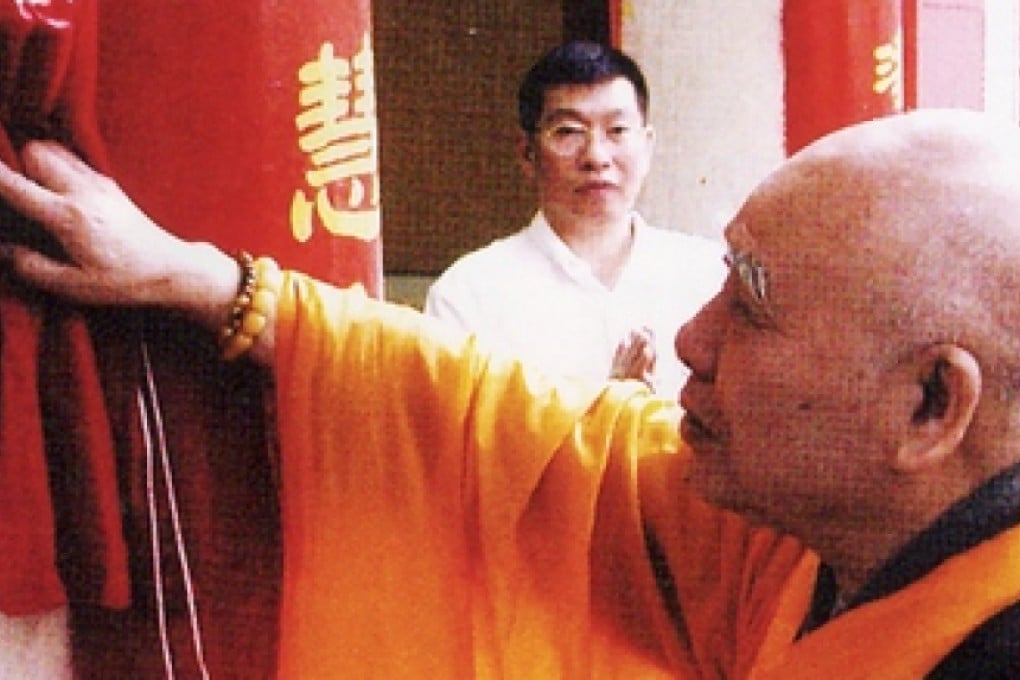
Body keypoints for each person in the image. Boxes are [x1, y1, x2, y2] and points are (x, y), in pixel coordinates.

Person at [1, 108, 1019, 678]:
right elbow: (535, 429)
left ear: (931, 404)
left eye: (750, 305)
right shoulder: (813, 532)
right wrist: (217, 286)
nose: (690, 339)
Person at [424, 41, 726, 397]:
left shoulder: (710, 277)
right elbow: (460, 445)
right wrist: (605, 418)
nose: (596, 156)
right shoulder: (470, 295)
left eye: (617, 131)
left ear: (647, 146)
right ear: (526, 152)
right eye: (569, 132)